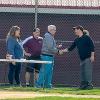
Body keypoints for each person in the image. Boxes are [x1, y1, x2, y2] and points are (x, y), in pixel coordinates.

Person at [60, 25, 95, 89]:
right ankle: (83, 85)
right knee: (83, 73)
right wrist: (62, 51)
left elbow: (92, 47)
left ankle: (89, 85)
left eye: (75, 29)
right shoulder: (76, 40)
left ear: (79, 30)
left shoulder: (87, 37)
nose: (74, 31)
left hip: (88, 58)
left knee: (87, 72)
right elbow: (70, 48)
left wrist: (92, 56)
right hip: (82, 59)